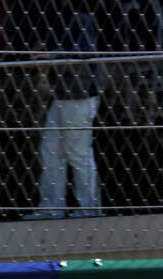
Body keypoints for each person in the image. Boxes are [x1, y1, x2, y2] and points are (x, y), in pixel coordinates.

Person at [23, 0, 105, 220]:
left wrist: (51, 56)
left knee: (78, 151)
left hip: (79, 94)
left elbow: (84, 53)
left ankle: (89, 208)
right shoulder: (56, 17)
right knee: (50, 148)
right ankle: (52, 208)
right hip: (63, 93)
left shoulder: (80, 18)